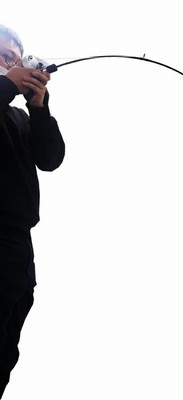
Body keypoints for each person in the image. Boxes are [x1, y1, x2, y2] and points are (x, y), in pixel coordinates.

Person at [0, 24, 65, 398]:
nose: (13, 64)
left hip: (19, 253)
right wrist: (9, 84)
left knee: (4, 352)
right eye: (4, 56)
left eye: (17, 59)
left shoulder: (19, 118)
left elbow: (51, 158)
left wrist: (39, 108)